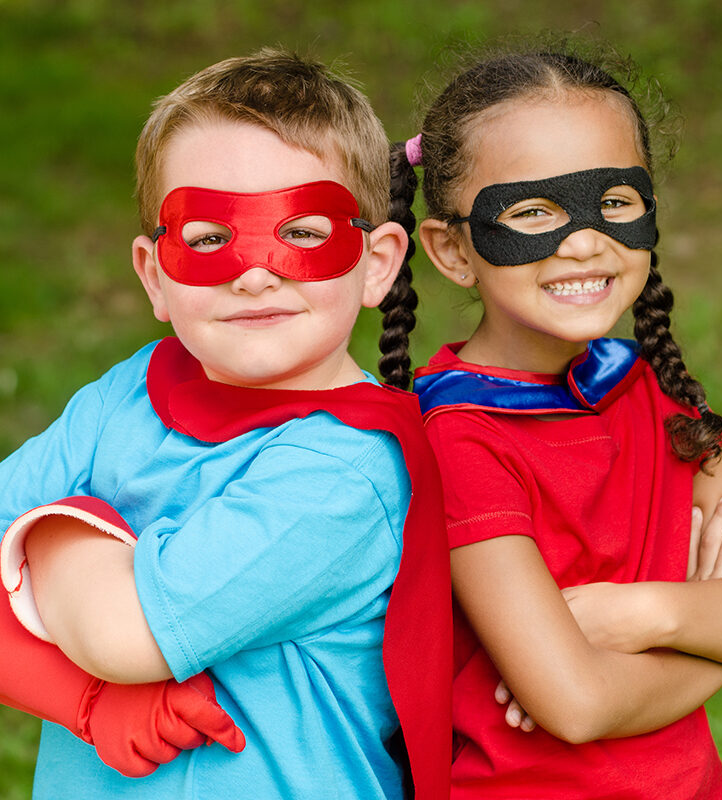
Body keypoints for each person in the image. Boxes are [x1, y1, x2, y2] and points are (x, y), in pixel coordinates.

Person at [0, 47, 451, 799]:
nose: (253, 270)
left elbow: (126, 636)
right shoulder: (127, 394)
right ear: (154, 275)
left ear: (378, 264)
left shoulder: (349, 468)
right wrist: (85, 701)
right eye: (208, 238)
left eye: (303, 232)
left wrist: (53, 529)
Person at [388, 43, 722, 798]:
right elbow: (577, 705)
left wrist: (635, 613)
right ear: (452, 250)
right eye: (532, 212)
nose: (583, 240)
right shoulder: (456, 435)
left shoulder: (644, 387)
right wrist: (718, 634)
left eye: (614, 201)